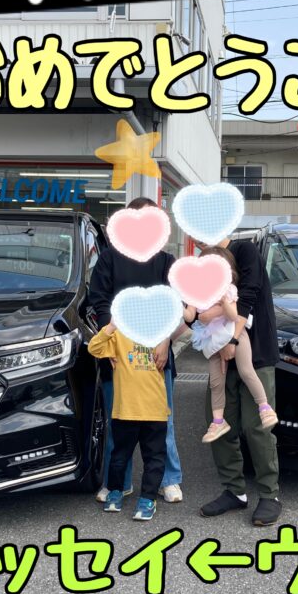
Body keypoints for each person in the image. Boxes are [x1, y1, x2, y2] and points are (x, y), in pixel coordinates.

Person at [87, 197, 183, 504]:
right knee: (119, 422)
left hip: (157, 354)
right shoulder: (109, 259)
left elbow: (176, 304)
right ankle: (119, 483)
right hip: (118, 356)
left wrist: (166, 340)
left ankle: (169, 480)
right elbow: (99, 300)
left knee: (163, 422)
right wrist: (109, 343)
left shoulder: (165, 261)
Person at [194, 233, 282, 527]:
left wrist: (232, 340)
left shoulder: (245, 250)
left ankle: (269, 494)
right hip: (219, 354)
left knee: (257, 427)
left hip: (255, 354)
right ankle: (234, 491)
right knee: (218, 422)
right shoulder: (205, 259)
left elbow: (248, 296)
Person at [183, 246, 277, 443]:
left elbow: (234, 315)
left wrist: (217, 308)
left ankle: (265, 408)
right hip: (213, 341)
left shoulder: (229, 290)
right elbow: (191, 316)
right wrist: (181, 308)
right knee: (216, 383)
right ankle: (218, 421)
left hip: (235, 334)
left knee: (246, 370)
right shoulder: (196, 293)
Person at [87, 320, 168, 521]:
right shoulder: (119, 333)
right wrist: (112, 326)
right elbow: (94, 348)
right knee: (119, 456)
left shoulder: (159, 332)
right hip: (125, 410)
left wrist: (165, 339)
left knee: (154, 458)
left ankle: (148, 498)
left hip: (154, 410)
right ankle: (115, 491)